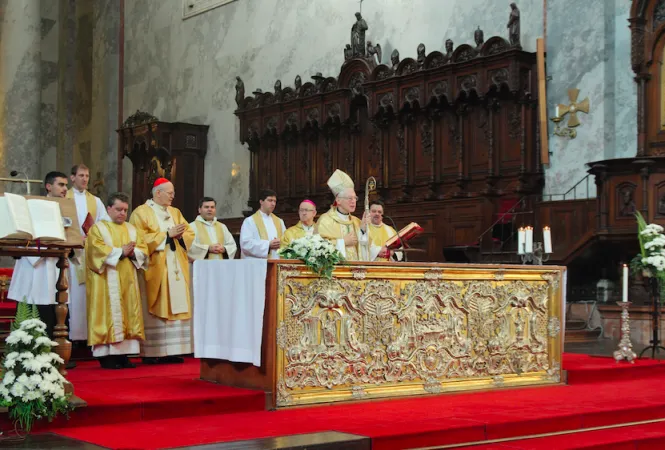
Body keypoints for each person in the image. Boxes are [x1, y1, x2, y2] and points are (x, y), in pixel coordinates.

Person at [129, 177, 206, 364]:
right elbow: (137, 238)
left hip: (176, 264)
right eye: (170, 193)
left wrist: (180, 236)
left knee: (177, 302)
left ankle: (173, 350)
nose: (173, 196)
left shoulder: (175, 212)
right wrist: (166, 235)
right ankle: (152, 353)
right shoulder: (141, 212)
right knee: (157, 305)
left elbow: (189, 232)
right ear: (158, 193)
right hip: (156, 267)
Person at [85, 192, 148, 369]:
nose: (122, 213)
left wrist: (133, 252)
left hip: (128, 278)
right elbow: (95, 251)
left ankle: (123, 355)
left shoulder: (132, 229)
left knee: (129, 313)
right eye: (118, 209)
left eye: (125, 210)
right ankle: (106, 356)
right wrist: (120, 252)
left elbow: (143, 250)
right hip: (106, 279)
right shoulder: (98, 228)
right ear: (109, 209)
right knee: (107, 315)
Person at [7, 171, 69, 339]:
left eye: (66, 185)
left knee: (57, 314)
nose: (65, 189)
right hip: (36, 270)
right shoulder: (33, 207)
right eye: (61, 185)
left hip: (57, 269)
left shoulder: (66, 209)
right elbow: (24, 236)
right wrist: (49, 246)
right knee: (35, 315)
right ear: (48, 186)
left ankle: (58, 355)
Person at [66, 164, 108, 347]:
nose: (84, 179)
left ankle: (87, 337)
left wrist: (93, 237)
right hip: (71, 254)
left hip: (89, 253)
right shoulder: (63, 198)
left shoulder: (96, 201)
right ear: (72, 177)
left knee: (87, 295)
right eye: (81, 175)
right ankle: (72, 337)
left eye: (87, 176)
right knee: (72, 295)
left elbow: (104, 225)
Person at [316, 169, 379, 261]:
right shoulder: (325, 221)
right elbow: (318, 248)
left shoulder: (357, 221)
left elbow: (366, 250)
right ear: (338, 200)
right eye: (350, 198)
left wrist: (362, 230)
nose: (353, 201)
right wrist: (343, 242)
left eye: (355, 198)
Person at [240, 189, 286, 259]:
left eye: (274, 201)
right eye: (270, 200)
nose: (273, 204)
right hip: (258, 263)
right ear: (261, 202)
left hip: (277, 262)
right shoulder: (250, 221)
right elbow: (246, 244)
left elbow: (286, 240)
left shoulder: (279, 221)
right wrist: (268, 245)